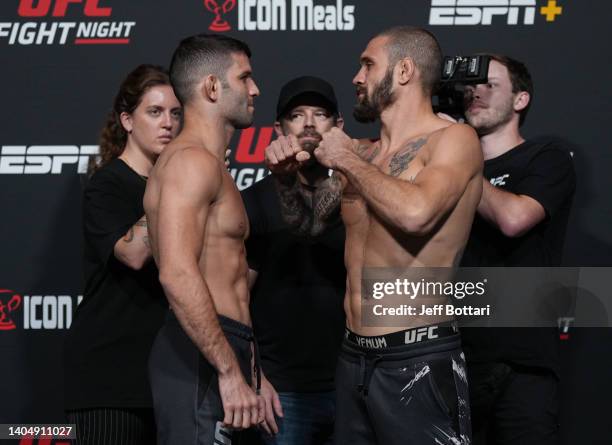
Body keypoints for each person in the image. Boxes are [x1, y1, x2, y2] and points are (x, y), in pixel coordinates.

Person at [274, 27, 483, 444]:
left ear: (404, 71)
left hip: (417, 358)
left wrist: (347, 161)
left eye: (368, 64)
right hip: (353, 360)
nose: (356, 77)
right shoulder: (364, 153)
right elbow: (311, 226)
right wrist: (285, 182)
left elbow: (416, 214)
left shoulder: (453, 141)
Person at [144, 34, 265, 445]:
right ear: (212, 87)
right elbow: (177, 274)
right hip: (200, 353)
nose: (255, 89)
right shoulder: (191, 162)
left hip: (225, 347)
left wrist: (252, 371)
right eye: (244, 77)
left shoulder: (212, 166)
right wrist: (229, 372)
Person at [460, 55, 576, 445]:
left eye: (490, 84)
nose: (474, 92)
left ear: (521, 99)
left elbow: (514, 219)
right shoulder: (444, 166)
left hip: (521, 362)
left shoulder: (546, 157)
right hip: (453, 356)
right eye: (471, 85)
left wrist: (458, 161)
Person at [63, 64, 182, 444]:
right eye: (155, 112)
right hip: (109, 377)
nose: (168, 123)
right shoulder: (108, 184)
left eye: (175, 113)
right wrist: (174, 185)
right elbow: (132, 253)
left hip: (169, 374)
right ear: (128, 120)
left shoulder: (179, 187)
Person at [243, 76, 348, 445]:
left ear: (339, 127)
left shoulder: (362, 197)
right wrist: (255, 378)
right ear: (278, 129)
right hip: (281, 391)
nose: (308, 124)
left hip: (353, 384)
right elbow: (234, 297)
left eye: (321, 114)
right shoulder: (252, 201)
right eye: (296, 115)